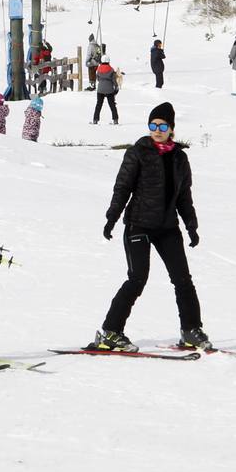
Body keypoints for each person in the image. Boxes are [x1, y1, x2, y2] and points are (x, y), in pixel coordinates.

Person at [90, 101, 208, 352]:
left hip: (167, 227)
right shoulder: (137, 153)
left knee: (183, 280)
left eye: (162, 125)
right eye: (153, 125)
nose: (157, 129)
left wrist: (191, 226)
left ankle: (191, 331)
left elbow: (184, 196)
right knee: (137, 278)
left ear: (171, 129)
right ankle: (110, 332)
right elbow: (122, 187)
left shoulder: (179, 158)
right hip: (138, 225)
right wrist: (112, 217)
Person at [93, 60, 120, 125]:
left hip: (100, 90)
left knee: (98, 105)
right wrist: (116, 88)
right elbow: (114, 80)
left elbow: (98, 78)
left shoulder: (98, 69)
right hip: (109, 90)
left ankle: (95, 120)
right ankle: (115, 119)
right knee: (112, 105)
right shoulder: (111, 70)